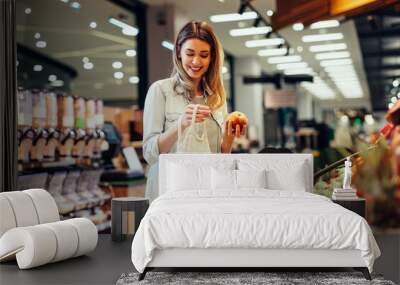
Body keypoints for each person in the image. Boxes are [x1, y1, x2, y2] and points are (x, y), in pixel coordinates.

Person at [142, 21, 246, 202]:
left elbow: (219, 157)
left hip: (207, 191)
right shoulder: (161, 90)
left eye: (204, 55)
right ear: (178, 54)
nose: (196, 61)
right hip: (170, 193)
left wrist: (229, 136)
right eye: (190, 53)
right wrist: (181, 124)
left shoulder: (217, 98)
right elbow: (150, 154)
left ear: (212, 58)